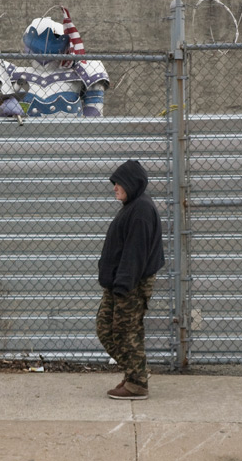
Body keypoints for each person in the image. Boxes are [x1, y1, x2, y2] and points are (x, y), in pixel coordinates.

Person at [96, 160, 165, 400]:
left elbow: (134, 254)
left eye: (119, 183)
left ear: (132, 184)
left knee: (125, 332)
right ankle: (136, 373)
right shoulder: (133, 206)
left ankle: (137, 382)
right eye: (114, 183)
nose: (115, 187)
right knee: (107, 330)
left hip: (129, 286)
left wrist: (123, 287)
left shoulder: (141, 211)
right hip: (119, 284)